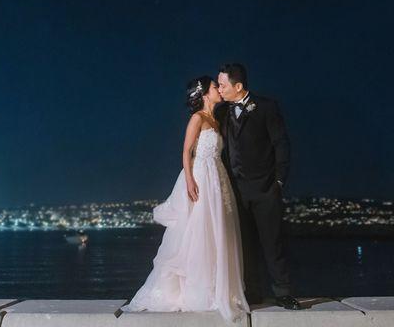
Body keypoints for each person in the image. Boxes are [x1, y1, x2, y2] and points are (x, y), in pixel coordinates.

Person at [122, 76, 249, 323]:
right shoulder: (198, 118)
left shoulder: (216, 119)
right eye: (215, 87)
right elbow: (186, 151)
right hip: (201, 176)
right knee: (197, 231)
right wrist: (190, 179)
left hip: (217, 178)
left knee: (218, 231)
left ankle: (218, 288)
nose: (218, 90)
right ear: (204, 93)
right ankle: (197, 290)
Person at [214, 63, 301, 310]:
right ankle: (252, 292)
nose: (219, 89)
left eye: (222, 84)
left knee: (272, 243)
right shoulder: (221, 113)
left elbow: (281, 144)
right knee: (245, 245)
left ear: (238, 86)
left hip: (265, 189)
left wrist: (279, 181)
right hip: (235, 191)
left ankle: (283, 292)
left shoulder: (266, 107)